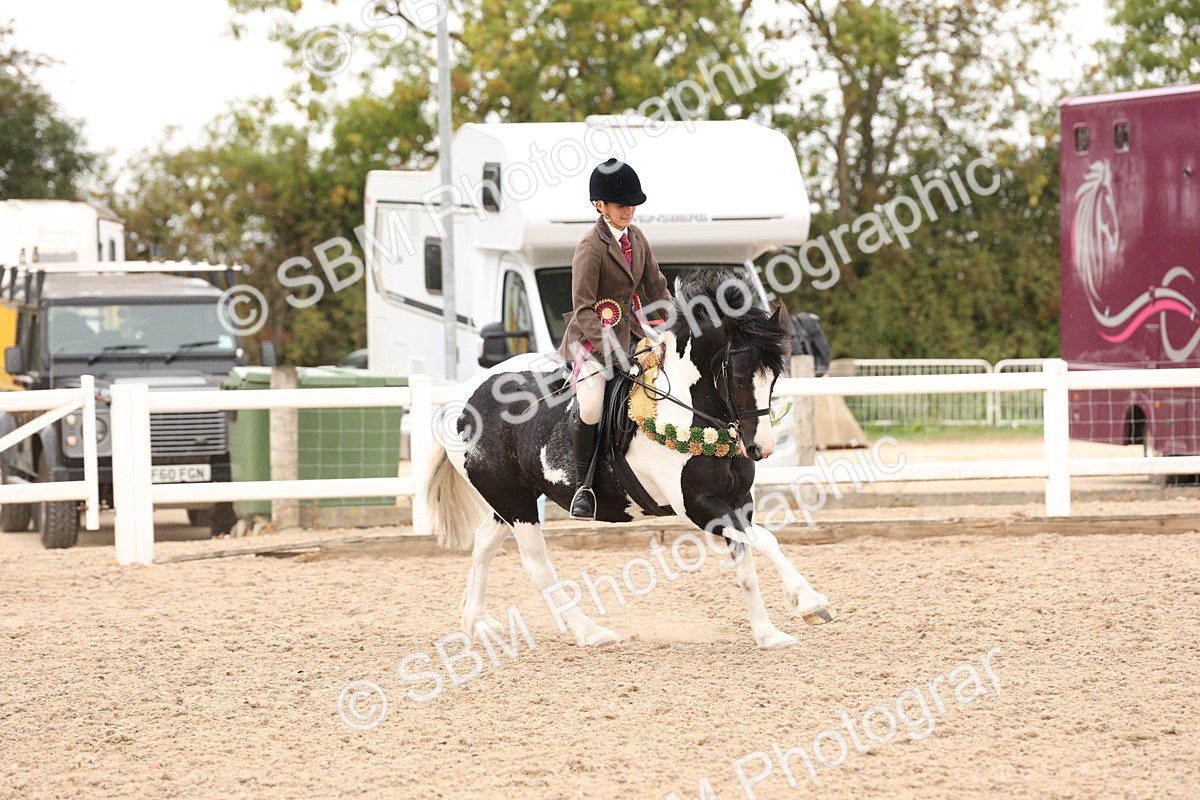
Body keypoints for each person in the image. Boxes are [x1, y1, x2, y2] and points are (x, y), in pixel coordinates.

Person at [556, 158, 672, 520]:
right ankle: (584, 485)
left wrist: (678, 325)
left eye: (632, 204)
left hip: (634, 332)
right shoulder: (591, 246)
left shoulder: (637, 239)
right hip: (591, 339)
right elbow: (584, 309)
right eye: (622, 204)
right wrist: (614, 354)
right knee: (591, 406)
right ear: (600, 205)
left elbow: (657, 288)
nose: (629, 210)